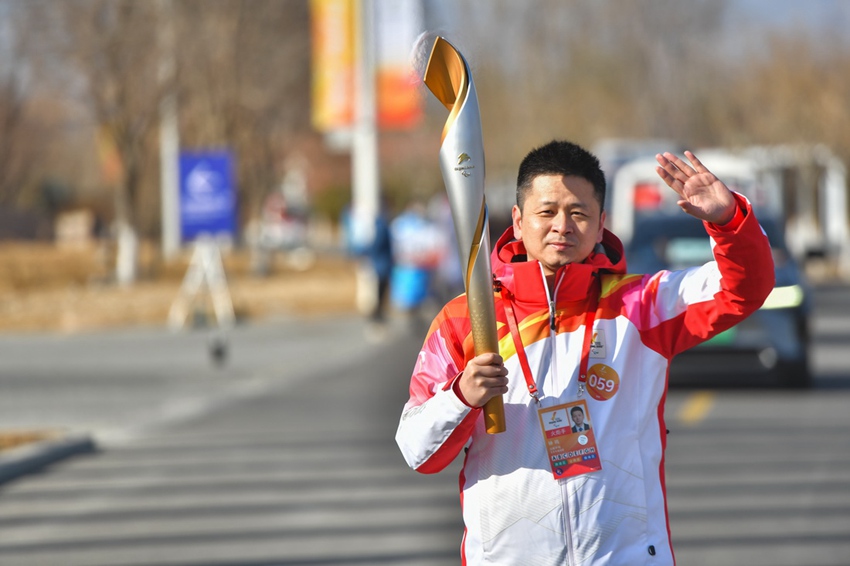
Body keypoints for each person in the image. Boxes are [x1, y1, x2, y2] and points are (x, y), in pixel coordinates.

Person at [395, 140, 774, 565]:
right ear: (518, 221)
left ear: (600, 224)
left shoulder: (642, 304)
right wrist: (461, 396)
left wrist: (729, 222)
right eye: (546, 211)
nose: (562, 225)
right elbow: (417, 450)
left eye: (578, 213)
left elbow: (743, 289)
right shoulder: (468, 319)